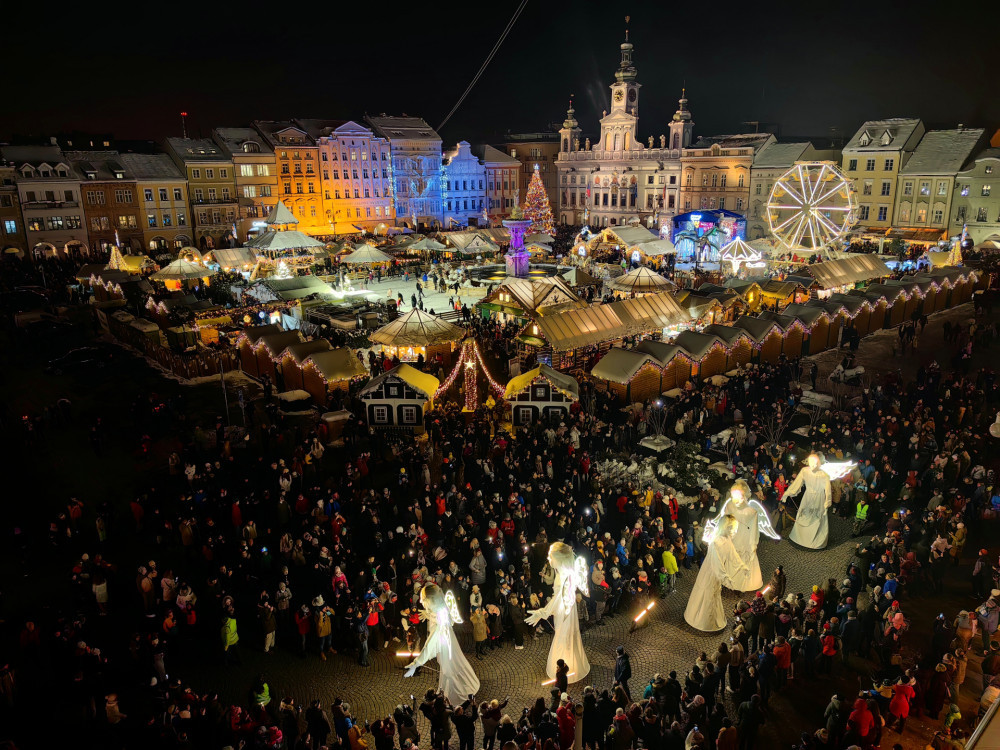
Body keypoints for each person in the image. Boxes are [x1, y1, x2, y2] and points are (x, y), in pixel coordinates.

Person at [405, 584, 481, 704]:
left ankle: (455, 696)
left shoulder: (441, 617)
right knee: (448, 670)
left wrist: (417, 663)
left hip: (445, 648)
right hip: (447, 645)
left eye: (423, 599)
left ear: (431, 600)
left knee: (449, 671)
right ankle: (448, 692)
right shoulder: (441, 609)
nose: (420, 601)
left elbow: (430, 643)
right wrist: (429, 614)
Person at [526, 542, 590, 680]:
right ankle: (572, 662)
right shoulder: (565, 572)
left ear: (560, 559)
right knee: (566, 635)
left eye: (551, 557)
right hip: (567, 608)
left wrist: (542, 612)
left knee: (563, 636)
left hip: (563, 610)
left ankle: (564, 666)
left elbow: (557, 600)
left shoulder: (562, 577)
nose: (549, 559)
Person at [703, 480, 779, 591]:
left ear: (745, 496)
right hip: (732, 537)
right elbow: (724, 521)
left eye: (739, 496)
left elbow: (754, 530)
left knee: (743, 560)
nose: (736, 499)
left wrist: (753, 545)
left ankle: (742, 584)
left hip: (745, 539)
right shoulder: (730, 505)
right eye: (734, 495)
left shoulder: (752, 511)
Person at [685, 515, 748, 632]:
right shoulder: (716, 543)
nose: (734, 532)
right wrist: (724, 577)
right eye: (732, 529)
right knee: (708, 592)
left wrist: (741, 566)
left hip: (718, 573)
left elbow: (733, 555)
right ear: (726, 527)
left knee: (715, 594)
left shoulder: (727, 540)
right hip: (711, 572)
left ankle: (713, 619)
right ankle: (703, 621)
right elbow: (716, 562)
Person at [780, 454, 834, 550]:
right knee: (804, 515)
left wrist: (827, 502)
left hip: (819, 498)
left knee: (816, 518)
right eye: (811, 462)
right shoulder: (804, 471)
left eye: (815, 463)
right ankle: (801, 538)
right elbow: (796, 483)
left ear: (818, 463)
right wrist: (787, 493)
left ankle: (815, 540)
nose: (812, 465)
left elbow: (828, 491)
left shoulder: (824, 475)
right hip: (808, 497)